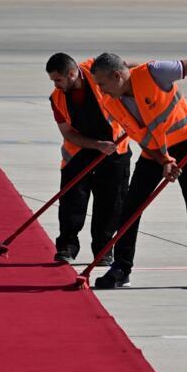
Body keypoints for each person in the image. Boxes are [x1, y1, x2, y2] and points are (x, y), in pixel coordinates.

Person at [88, 53, 187, 290]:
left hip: (186, 141)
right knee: (131, 208)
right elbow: (142, 136)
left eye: (102, 83)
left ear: (117, 76)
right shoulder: (112, 102)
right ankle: (121, 268)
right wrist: (164, 161)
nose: (100, 90)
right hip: (154, 152)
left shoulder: (155, 72)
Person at [46, 53, 133, 266]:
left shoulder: (96, 70)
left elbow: (126, 68)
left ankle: (104, 249)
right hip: (79, 151)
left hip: (114, 150)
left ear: (72, 73)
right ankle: (67, 246)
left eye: (58, 80)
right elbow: (68, 133)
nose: (55, 85)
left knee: (110, 203)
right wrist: (96, 145)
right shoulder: (57, 98)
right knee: (71, 201)